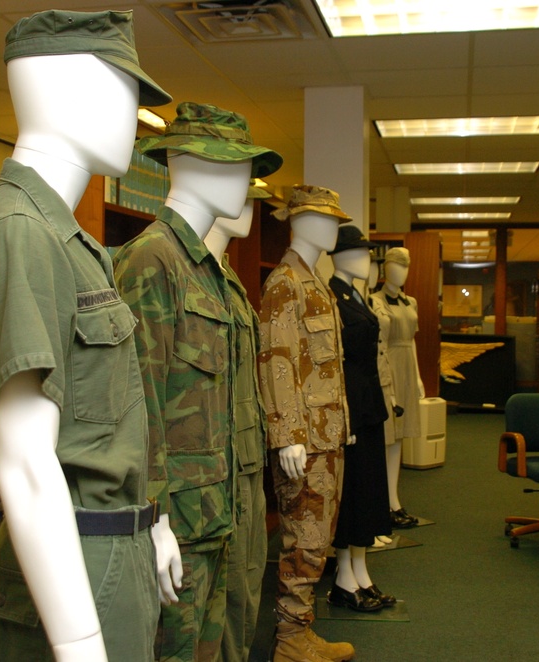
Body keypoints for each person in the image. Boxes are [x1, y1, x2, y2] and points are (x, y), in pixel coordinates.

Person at [0, 10, 172, 662]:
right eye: (128, 90)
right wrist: (78, 641)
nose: (135, 114)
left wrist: (151, 525)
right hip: (75, 565)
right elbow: (25, 461)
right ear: (71, 88)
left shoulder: (74, 243)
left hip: (109, 550)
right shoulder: (24, 231)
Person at [115, 102, 281, 662]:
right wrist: (153, 518)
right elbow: (138, 409)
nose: (246, 182)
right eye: (234, 165)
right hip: (178, 526)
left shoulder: (207, 271)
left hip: (215, 515)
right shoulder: (151, 262)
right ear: (187, 164)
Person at [257, 184, 355, 662]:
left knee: (318, 539)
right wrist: (288, 437)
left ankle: (300, 630)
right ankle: (290, 642)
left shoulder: (315, 281)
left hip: (326, 436)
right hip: (305, 442)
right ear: (300, 222)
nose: (335, 227)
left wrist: (344, 423)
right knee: (303, 539)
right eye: (328, 218)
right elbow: (276, 363)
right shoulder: (285, 284)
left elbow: (322, 367)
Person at [203, 184, 271, 662]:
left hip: (245, 463)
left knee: (245, 588)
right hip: (205, 477)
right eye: (240, 191)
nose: (249, 207)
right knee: (212, 606)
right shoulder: (159, 263)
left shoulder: (228, 276)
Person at [327, 226, 396, 613]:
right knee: (351, 490)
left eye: (368, 254)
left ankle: (361, 568)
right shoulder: (332, 297)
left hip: (369, 403)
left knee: (369, 485)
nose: (366, 260)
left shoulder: (357, 295)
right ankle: (343, 575)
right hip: (350, 405)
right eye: (360, 253)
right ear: (339, 256)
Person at [371, 247, 423, 528]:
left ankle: (395, 500)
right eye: (395, 266)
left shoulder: (411, 302)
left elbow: (412, 340)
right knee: (386, 437)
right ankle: (384, 503)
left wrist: (417, 377)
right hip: (386, 369)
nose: (399, 272)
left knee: (400, 438)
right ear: (385, 269)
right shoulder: (374, 300)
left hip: (406, 369)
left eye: (404, 267)